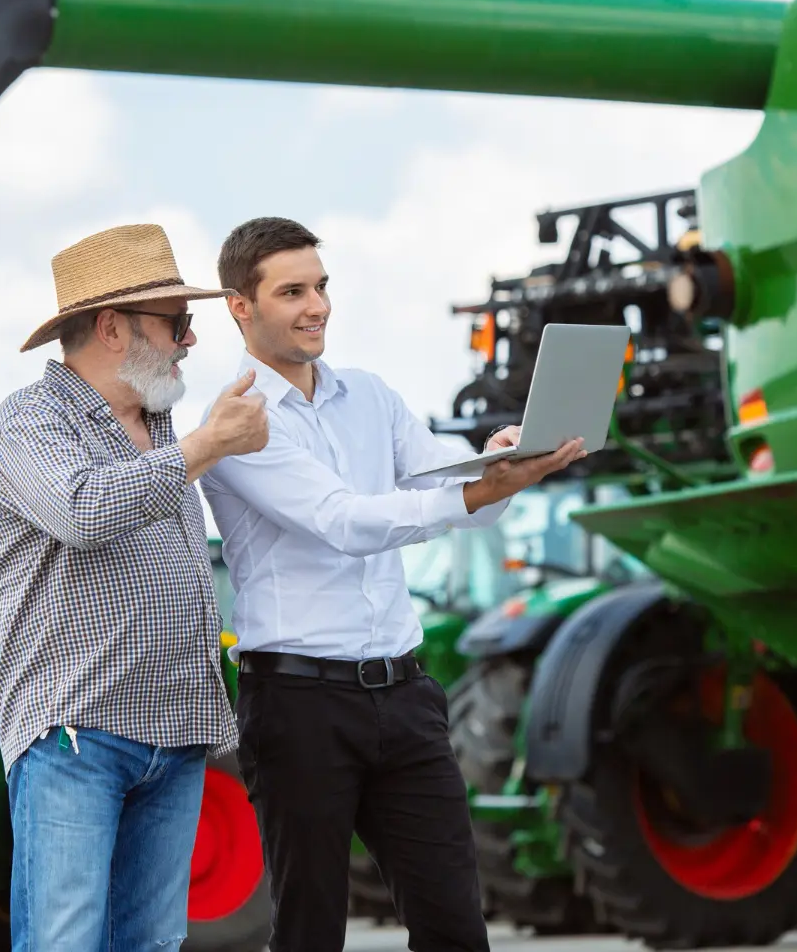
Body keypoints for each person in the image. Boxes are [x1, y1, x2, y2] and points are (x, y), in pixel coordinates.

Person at [198, 216, 587, 951]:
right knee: (311, 932)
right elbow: (345, 521)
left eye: (320, 286)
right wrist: (473, 492)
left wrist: (498, 462)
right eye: (292, 292)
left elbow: (454, 488)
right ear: (240, 308)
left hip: (406, 701)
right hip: (299, 705)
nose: (317, 306)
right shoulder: (238, 425)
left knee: (455, 929)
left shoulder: (371, 396)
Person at [0, 223, 270, 952]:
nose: (190, 340)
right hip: (79, 734)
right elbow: (83, 511)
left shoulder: (162, 425)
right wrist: (208, 446)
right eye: (177, 322)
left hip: (176, 731)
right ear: (111, 328)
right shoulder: (27, 423)